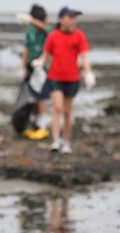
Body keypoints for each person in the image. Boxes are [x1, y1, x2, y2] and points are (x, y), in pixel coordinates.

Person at [33, 6, 95, 154]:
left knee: (67, 112)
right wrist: (39, 63)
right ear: (62, 19)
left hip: (72, 79)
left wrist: (88, 73)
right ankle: (56, 141)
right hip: (55, 77)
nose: (74, 21)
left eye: (75, 18)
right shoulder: (53, 35)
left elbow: (84, 57)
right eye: (71, 17)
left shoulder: (79, 36)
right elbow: (45, 55)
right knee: (57, 108)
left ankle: (66, 141)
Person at [20, 4, 52, 140]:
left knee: (41, 97)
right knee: (31, 97)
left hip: (43, 69)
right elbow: (26, 49)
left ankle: (42, 126)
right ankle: (35, 124)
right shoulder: (30, 31)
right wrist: (22, 68)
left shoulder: (47, 30)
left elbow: (47, 29)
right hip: (30, 68)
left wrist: (31, 20)